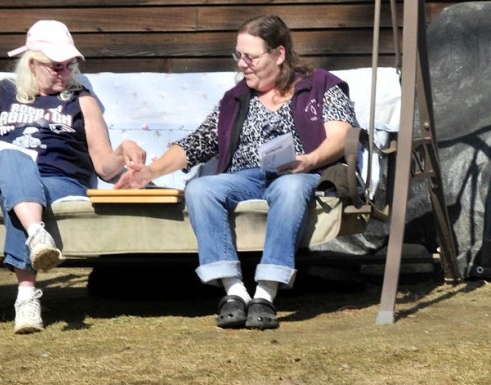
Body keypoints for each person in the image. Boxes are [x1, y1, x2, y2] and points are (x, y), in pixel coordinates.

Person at [115, 15, 357, 331]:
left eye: (251, 57)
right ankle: (234, 291)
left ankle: (266, 293)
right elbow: (197, 142)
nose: (242, 65)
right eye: (238, 56)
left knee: (291, 188)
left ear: (279, 54)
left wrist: (309, 160)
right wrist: (149, 172)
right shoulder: (236, 98)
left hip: (299, 172)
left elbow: (342, 135)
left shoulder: (319, 84)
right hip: (245, 176)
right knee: (201, 189)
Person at [0, 20, 145, 334]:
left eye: (69, 64)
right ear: (32, 63)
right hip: (0, 174)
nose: (65, 72)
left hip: (59, 182)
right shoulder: (3, 93)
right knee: (12, 154)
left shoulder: (82, 100)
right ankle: (37, 234)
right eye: (56, 66)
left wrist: (125, 148)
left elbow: (104, 167)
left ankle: (27, 295)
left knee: (17, 196)